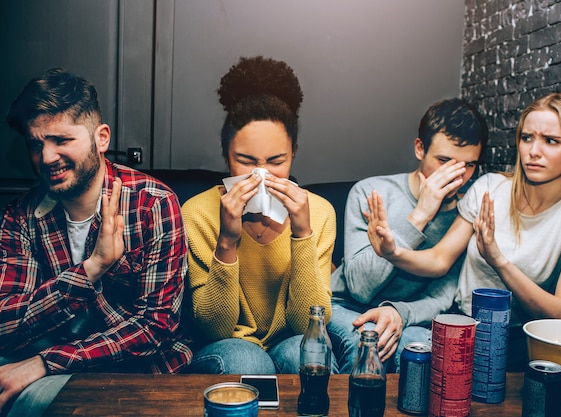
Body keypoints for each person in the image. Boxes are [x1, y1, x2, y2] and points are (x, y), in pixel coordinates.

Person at [366, 92, 561, 370]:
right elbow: (439, 260)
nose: (534, 151)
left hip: (520, 344)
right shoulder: (490, 188)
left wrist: (499, 261)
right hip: (459, 325)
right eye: (527, 137)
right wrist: (394, 252)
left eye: (551, 141)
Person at [0, 68, 192, 417]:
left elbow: (155, 329)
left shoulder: (153, 203)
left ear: (100, 138)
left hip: (132, 369)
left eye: (61, 140)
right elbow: (6, 322)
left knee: (37, 403)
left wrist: (46, 362)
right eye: (36, 144)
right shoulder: (21, 216)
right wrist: (92, 268)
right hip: (44, 354)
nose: (46, 158)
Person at [182, 56, 336, 374]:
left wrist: (303, 234)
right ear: (226, 156)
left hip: (290, 339)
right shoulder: (197, 213)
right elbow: (214, 330)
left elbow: (309, 322)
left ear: (293, 153)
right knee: (247, 359)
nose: (261, 175)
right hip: (229, 346)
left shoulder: (320, 212)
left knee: (306, 354)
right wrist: (226, 240)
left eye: (276, 161)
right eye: (246, 161)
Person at [328, 98, 489, 373]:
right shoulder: (371, 192)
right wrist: (420, 215)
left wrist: (398, 312)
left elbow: (443, 298)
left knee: (427, 354)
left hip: (410, 316)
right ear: (419, 149)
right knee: (368, 344)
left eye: (468, 165)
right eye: (444, 160)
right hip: (347, 306)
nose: (456, 176)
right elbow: (359, 285)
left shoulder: (465, 215)